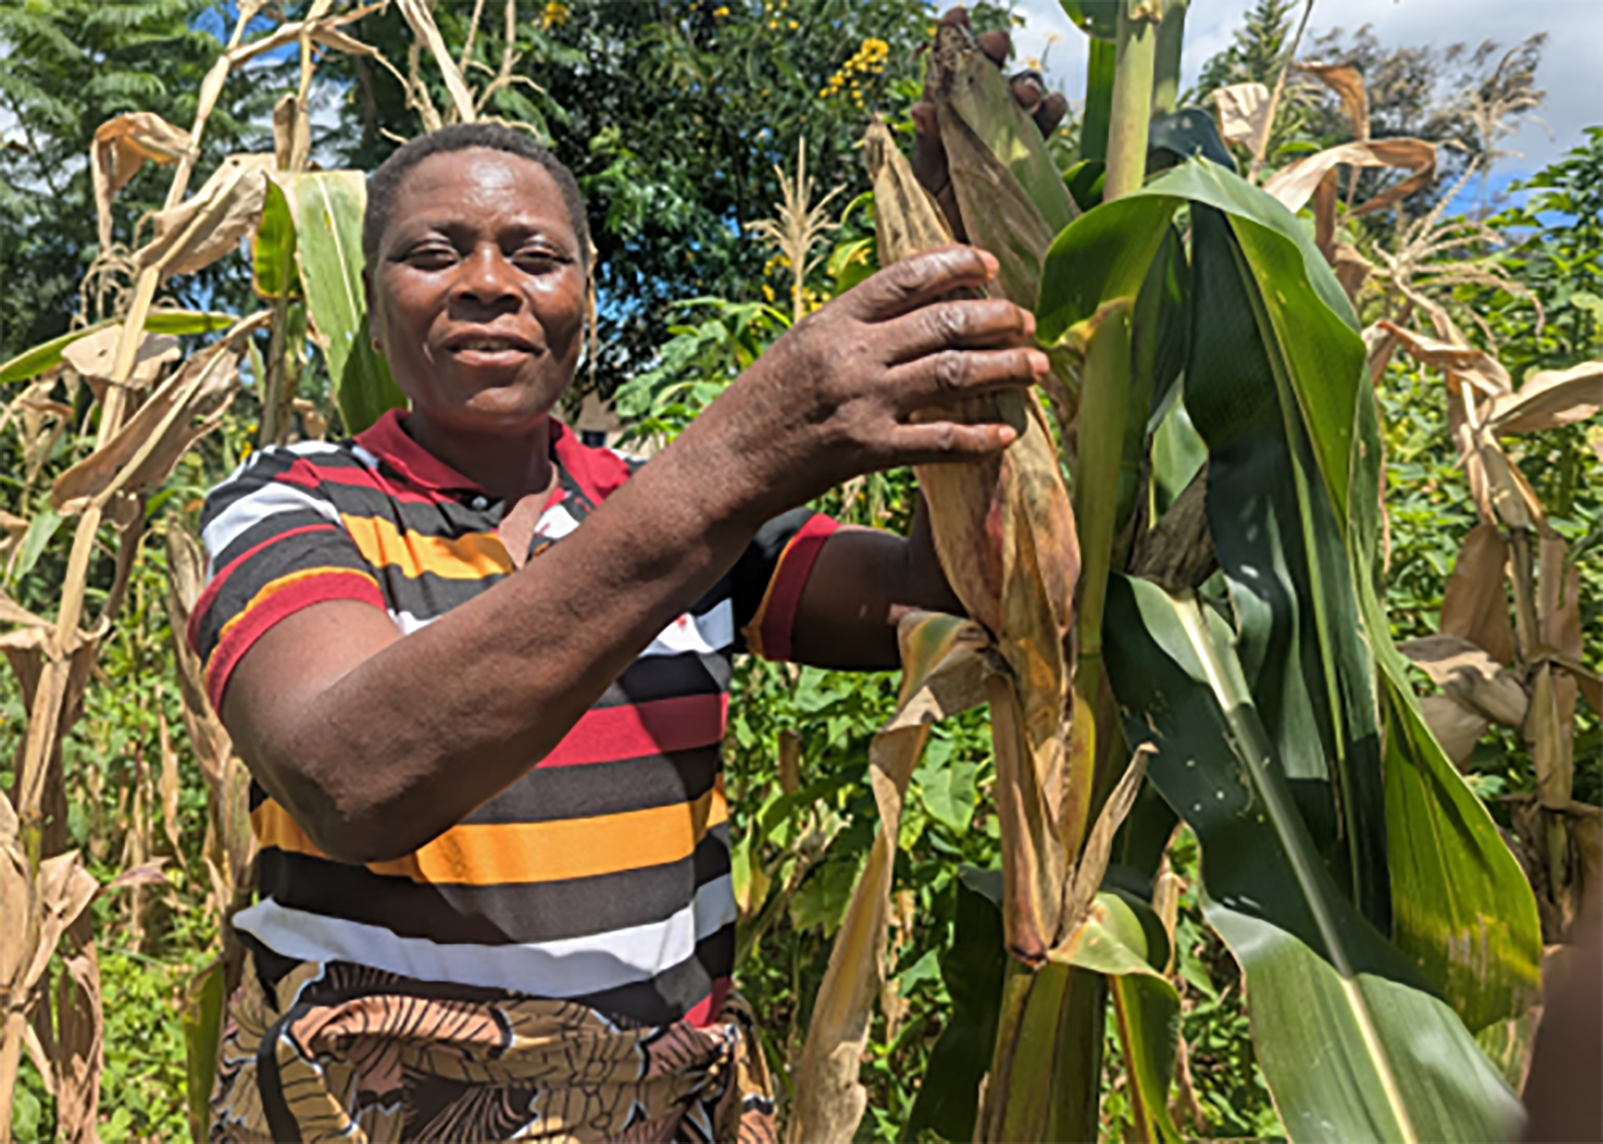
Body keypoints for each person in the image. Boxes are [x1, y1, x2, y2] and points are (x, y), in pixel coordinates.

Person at [192, 18, 1057, 1143]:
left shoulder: (659, 504)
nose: (489, 284)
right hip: (366, 1110)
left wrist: (970, 246)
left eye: (535, 256)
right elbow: (350, 775)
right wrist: (738, 454)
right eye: (433, 251)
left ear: (585, 296)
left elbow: (945, 599)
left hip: (660, 1106)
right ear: (370, 293)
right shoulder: (295, 501)